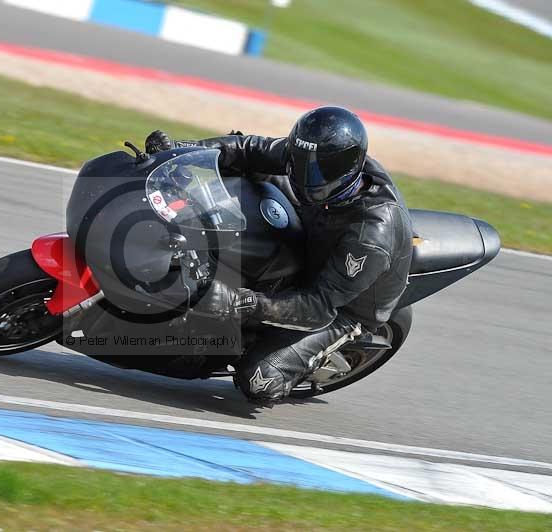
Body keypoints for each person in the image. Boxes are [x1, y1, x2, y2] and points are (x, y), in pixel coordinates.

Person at [145, 106, 413, 404]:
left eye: (319, 169)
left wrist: (244, 301)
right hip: (315, 225)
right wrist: (182, 149)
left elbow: (319, 306)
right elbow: (250, 149)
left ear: (348, 169)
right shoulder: (316, 158)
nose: (308, 172)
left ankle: (292, 357)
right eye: (301, 161)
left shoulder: (372, 234)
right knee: (242, 169)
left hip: (340, 307)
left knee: (259, 381)